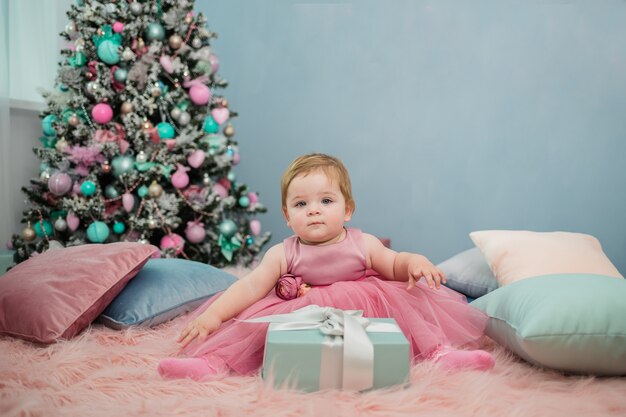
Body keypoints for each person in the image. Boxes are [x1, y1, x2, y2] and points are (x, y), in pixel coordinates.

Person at [158, 153, 494, 381]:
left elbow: (393, 264)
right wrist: (214, 315)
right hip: (304, 312)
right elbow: (249, 286)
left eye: (326, 201)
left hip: (366, 308)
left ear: (347, 210)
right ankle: (213, 363)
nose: (314, 211)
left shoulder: (363, 243)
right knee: (251, 324)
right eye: (301, 204)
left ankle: (439, 352)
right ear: (288, 217)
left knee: (413, 301)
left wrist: (415, 263)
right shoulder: (283, 252)